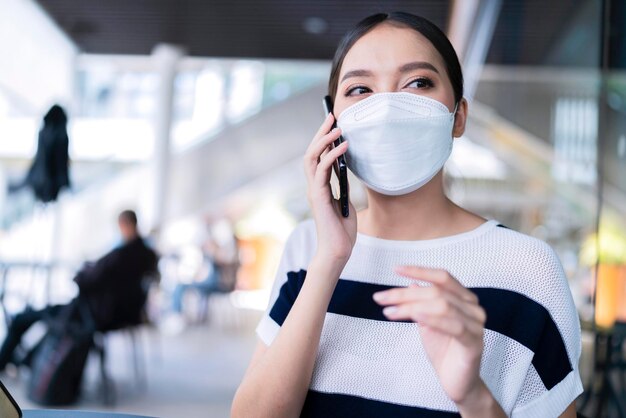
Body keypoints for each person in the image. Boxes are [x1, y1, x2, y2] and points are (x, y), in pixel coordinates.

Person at [232, 12, 582, 418]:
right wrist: (330, 260)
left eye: (419, 83)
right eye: (360, 89)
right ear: (332, 121)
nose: (386, 108)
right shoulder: (309, 247)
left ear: (459, 116)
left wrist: (473, 396)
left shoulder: (528, 269)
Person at [0, 210, 158, 370]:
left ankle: (15, 362)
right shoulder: (148, 255)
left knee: (33, 318)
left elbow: (87, 281)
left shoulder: (120, 255)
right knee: (57, 319)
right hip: (128, 314)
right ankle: (27, 361)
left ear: (124, 224)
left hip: (96, 313)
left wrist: (83, 273)